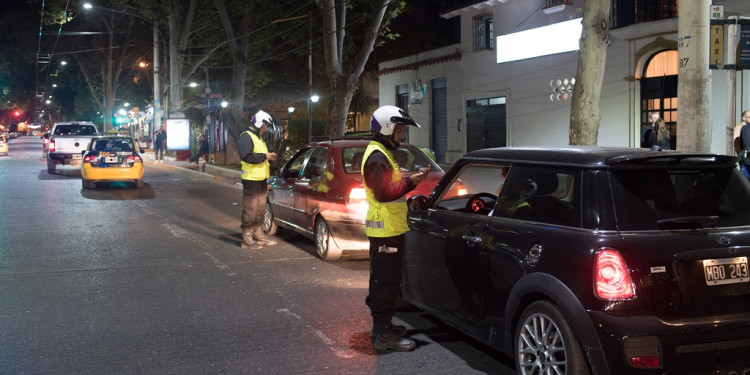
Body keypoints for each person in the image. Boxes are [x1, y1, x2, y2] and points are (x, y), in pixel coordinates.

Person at [362, 105, 429, 352]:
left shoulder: (381, 154)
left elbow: (389, 184)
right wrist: (411, 182)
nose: (402, 135)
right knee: (385, 283)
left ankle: (384, 327)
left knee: (385, 282)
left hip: (388, 230)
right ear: (388, 128)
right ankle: (383, 334)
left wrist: (409, 178)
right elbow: (384, 192)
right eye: (400, 130)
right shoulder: (378, 156)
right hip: (385, 231)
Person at [238, 110, 278, 250]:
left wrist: (268, 158)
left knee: (260, 209)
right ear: (260, 123)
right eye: (265, 126)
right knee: (251, 208)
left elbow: (260, 158)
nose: (266, 129)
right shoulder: (246, 137)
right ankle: (247, 238)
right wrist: (265, 156)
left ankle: (258, 233)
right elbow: (247, 157)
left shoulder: (258, 138)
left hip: (261, 180)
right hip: (251, 179)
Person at [738, 110, 750, 180]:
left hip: (745, 156)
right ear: (744, 118)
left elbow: (742, 143)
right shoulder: (741, 127)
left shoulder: (744, 128)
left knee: (744, 183)